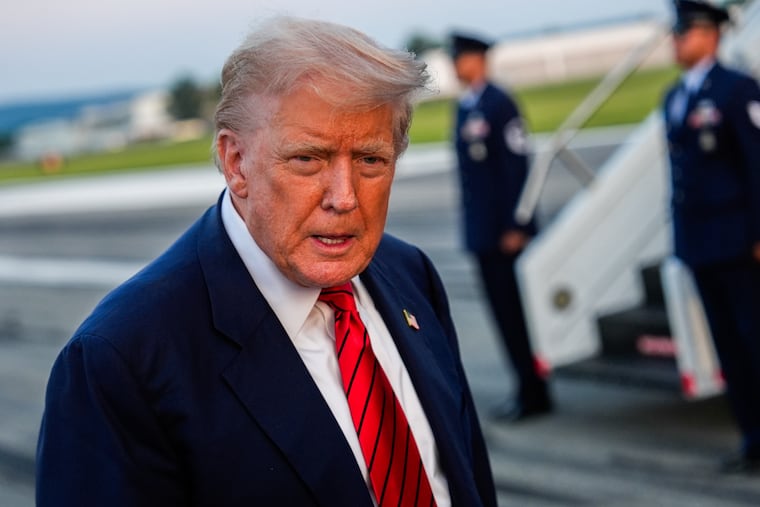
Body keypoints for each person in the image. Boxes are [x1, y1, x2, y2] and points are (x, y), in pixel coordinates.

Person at [36, 17, 497, 506]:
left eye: (370, 160)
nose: (344, 198)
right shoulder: (122, 359)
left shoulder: (410, 274)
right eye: (307, 160)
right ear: (236, 163)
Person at [663, 0, 760, 473]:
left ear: (709, 36)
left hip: (740, 242)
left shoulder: (737, 90)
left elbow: (757, 166)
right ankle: (752, 439)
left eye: (684, 33)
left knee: (755, 341)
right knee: (728, 347)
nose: (676, 41)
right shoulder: (676, 95)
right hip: (700, 243)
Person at [450, 32, 552, 423]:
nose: (457, 65)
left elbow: (516, 166)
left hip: (507, 234)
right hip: (483, 231)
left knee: (519, 313)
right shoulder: (465, 106)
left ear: (479, 60)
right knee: (503, 315)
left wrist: (518, 224)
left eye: (462, 58)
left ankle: (534, 390)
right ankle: (525, 386)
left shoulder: (499, 103)